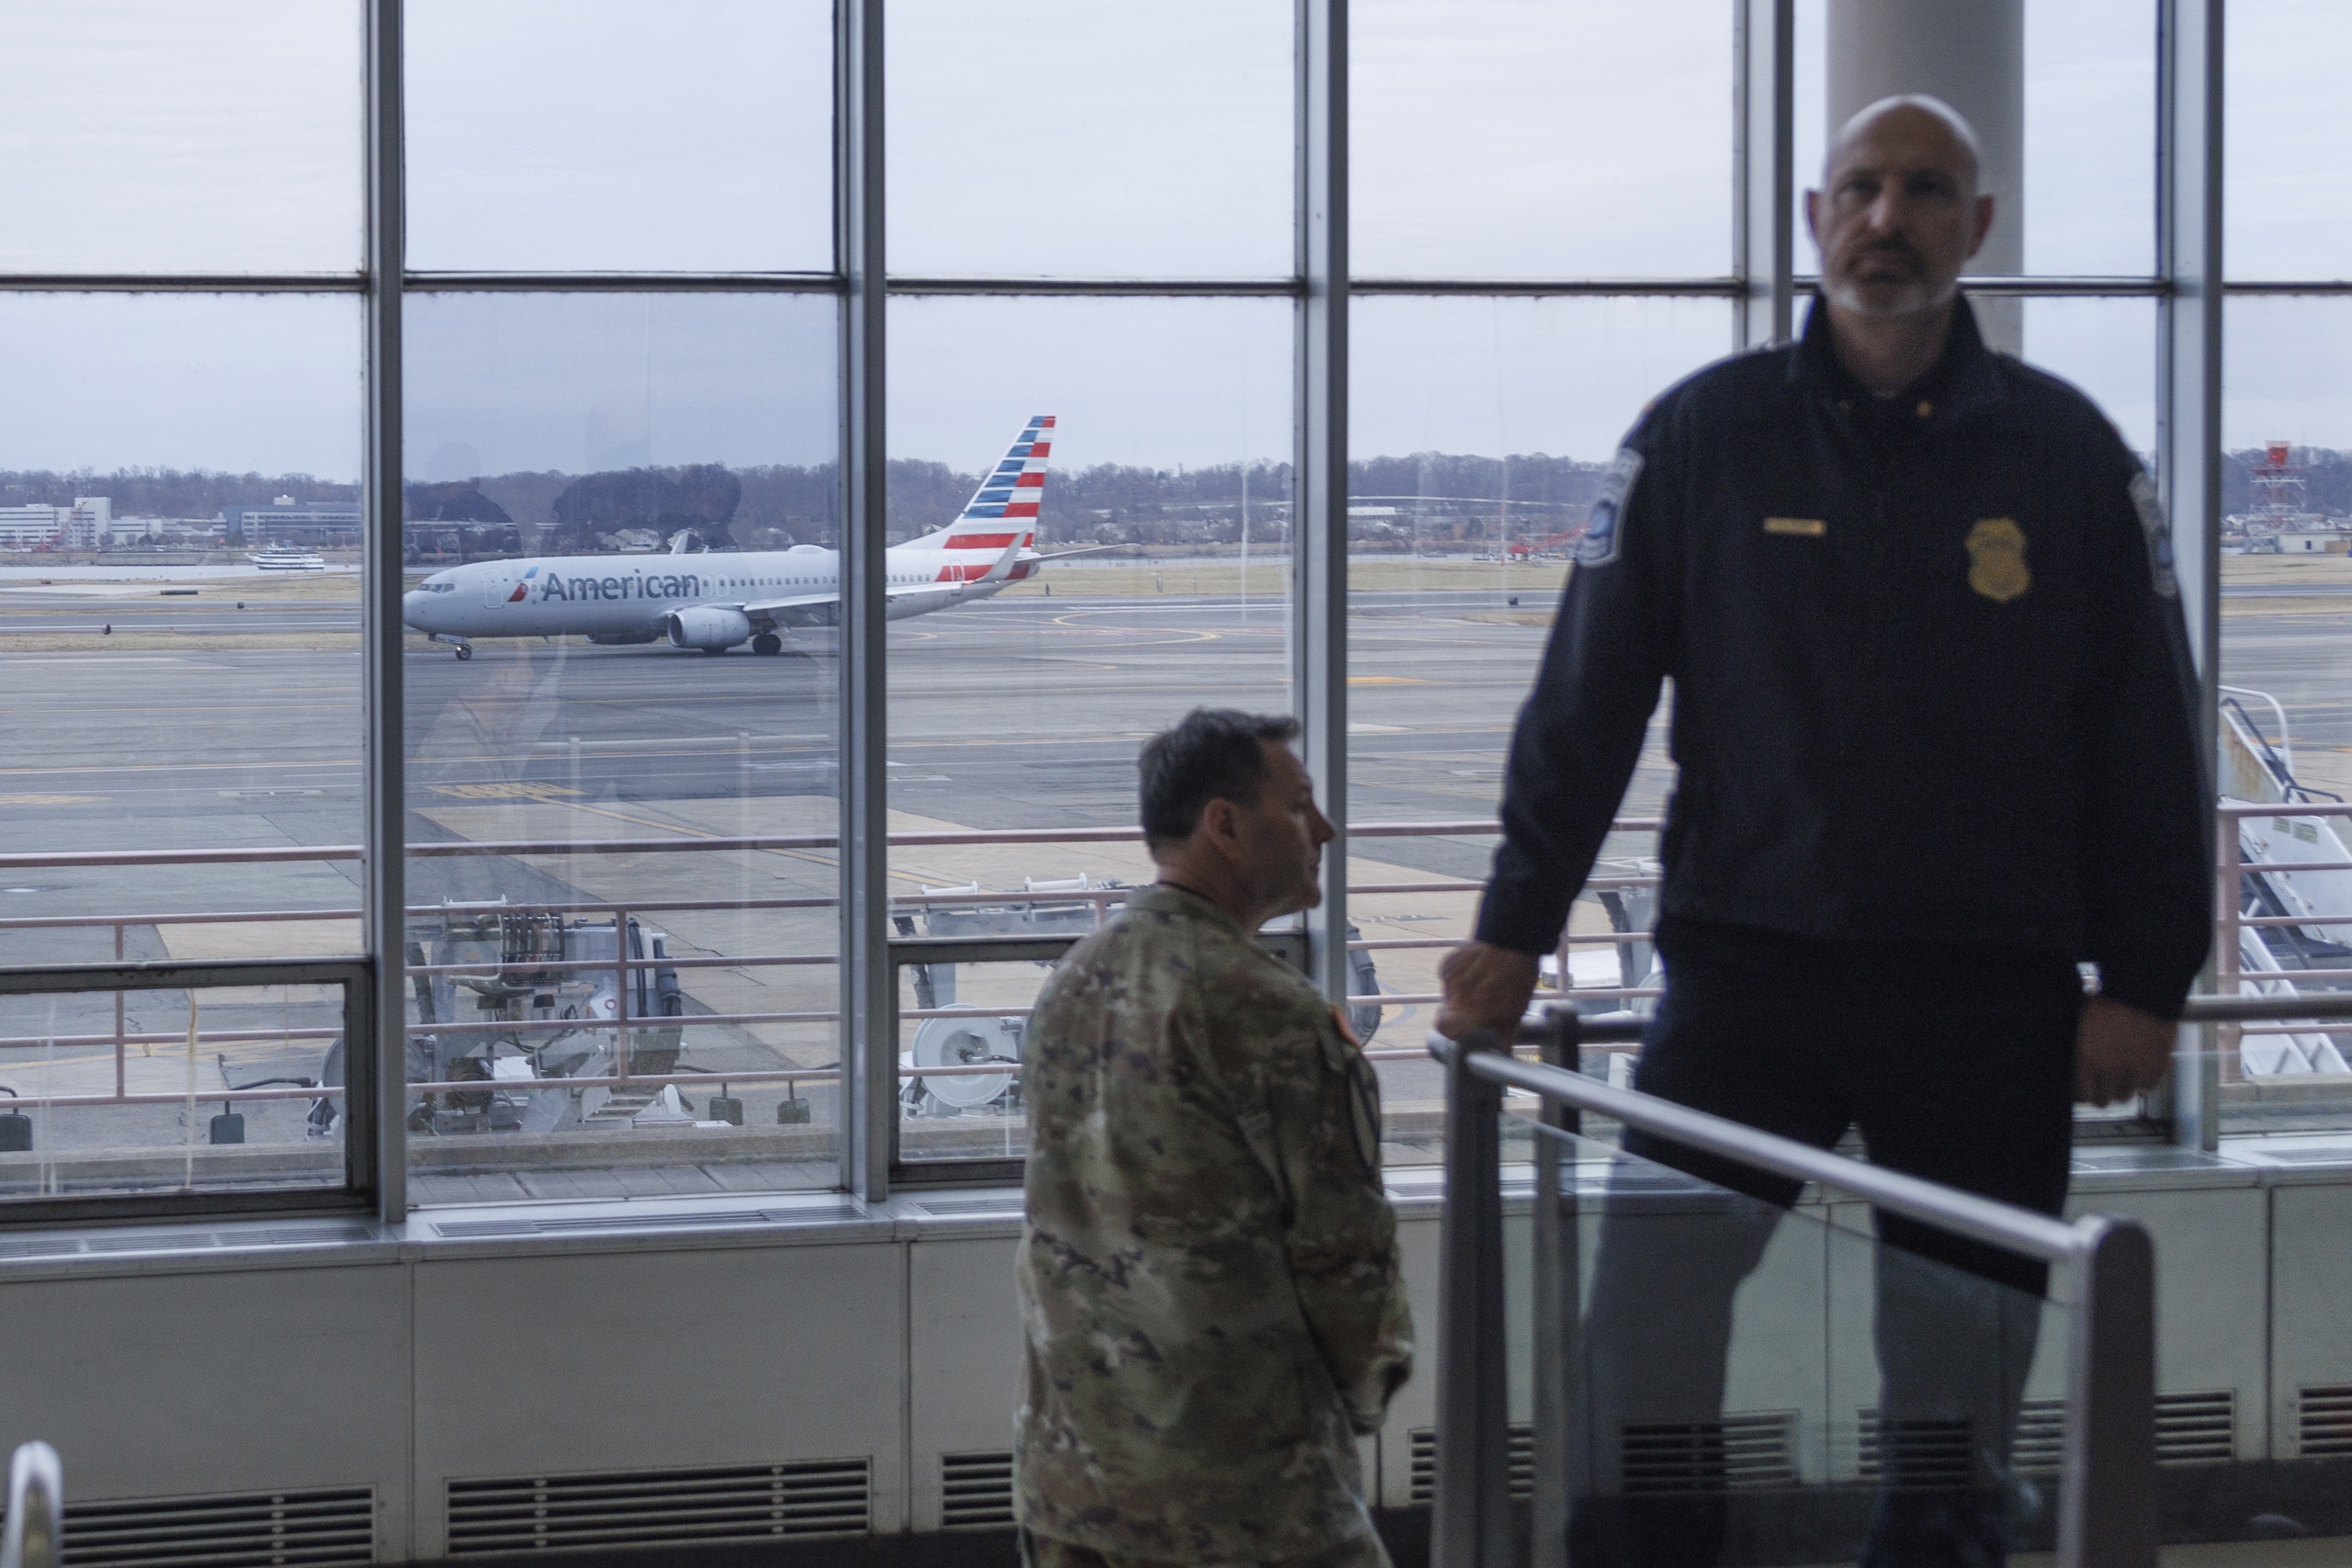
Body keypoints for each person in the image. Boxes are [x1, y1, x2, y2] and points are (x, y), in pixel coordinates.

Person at [1439, 96, 2209, 1564]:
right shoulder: (1705, 436)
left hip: (1987, 989)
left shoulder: (2064, 453)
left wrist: (2148, 977)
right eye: (1860, 188)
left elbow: (2144, 731)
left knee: (1960, 1363)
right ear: (1815, 216)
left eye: (1925, 190)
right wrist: (1513, 928)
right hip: (1750, 977)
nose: (1887, 218)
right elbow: (1586, 702)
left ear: (1977, 226)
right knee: (1646, 1323)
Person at [1014, 707, 1414, 1568]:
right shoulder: (1271, 1010)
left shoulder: (1071, 982)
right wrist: (1361, 1395)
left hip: (1074, 1481)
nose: (1323, 829)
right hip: (1239, 1496)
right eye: (1298, 805)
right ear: (1225, 826)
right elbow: (1346, 1257)